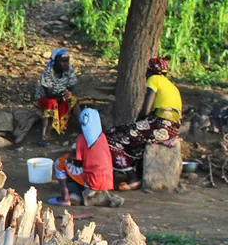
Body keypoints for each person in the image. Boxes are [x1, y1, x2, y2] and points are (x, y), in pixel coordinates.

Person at [106, 57, 182, 190]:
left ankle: (132, 177)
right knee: (132, 138)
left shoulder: (154, 80)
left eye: (147, 70)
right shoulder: (171, 85)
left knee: (112, 136)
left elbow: (146, 110)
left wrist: (137, 122)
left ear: (151, 70)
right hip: (171, 129)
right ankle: (138, 173)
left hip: (159, 125)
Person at [49, 108, 123, 208]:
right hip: (107, 180)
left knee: (59, 162)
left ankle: (65, 198)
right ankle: (93, 196)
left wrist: (69, 157)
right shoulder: (103, 137)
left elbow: (78, 162)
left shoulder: (81, 139)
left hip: (92, 180)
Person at [36, 48, 80, 146]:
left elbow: (72, 86)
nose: (66, 64)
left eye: (67, 61)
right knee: (51, 103)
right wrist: (63, 94)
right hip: (45, 97)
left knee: (73, 100)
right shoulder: (48, 71)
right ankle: (44, 135)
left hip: (60, 95)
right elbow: (49, 93)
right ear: (55, 61)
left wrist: (68, 93)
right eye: (63, 62)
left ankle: (83, 127)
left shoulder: (69, 70)